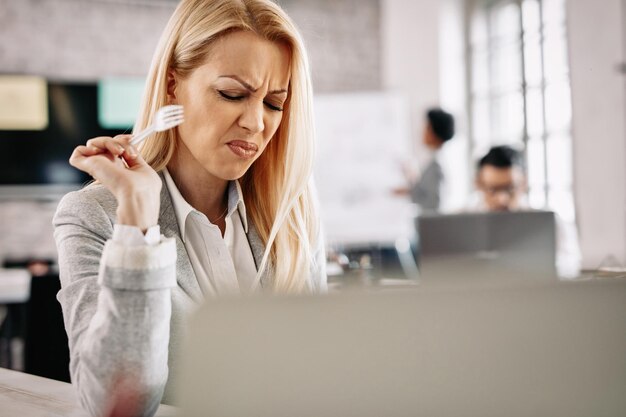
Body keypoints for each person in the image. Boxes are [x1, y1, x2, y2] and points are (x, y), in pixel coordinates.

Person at [52, 0, 327, 415]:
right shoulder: (93, 217)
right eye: (232, 94)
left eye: (274, 103)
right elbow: (115, 405)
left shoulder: (291, 211)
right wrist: (137, 224)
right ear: (171, 85)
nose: (256, 123)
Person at [471, 145, 582, 278]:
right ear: (478, 184)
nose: (502, 199)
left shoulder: (551, 222)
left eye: (510, 188)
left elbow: (570, 265)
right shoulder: (459, 225)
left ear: (523, 183)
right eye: (492, 189)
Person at [394, 108, 455, 212]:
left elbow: (433, 202)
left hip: (431, 224)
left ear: (434, 131)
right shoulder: (432, 160)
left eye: (427, 127)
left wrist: (410, 192)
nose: (422, 131)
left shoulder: (436, 165)